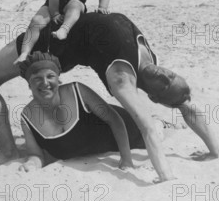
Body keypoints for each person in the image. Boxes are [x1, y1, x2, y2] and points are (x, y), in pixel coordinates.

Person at [0, 12, 219, 182]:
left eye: (165, 84)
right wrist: (214, 151)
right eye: (173, 75)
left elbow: (148, 129)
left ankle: (8, 150)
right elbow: (186, 105)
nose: (165, 75)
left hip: (51, 44)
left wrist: (165, 177)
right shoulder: (150, 60)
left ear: (155, 97)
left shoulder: (122, 79)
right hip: (65, 22)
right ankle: (9, 147)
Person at [17, 52, 173, 172]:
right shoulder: (27, 116)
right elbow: (35, 154)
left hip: (130, 130)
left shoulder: (77, 90)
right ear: (29, 84)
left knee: (155, 131)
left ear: (59, 79)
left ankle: (158, 121)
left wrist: (126, 159)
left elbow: (114, 119)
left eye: (50, 76)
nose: (45, 83)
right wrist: (31, 164)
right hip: (101, 144)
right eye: (37, 78)